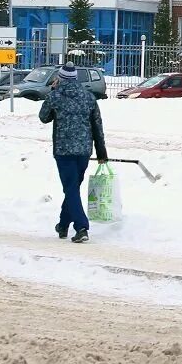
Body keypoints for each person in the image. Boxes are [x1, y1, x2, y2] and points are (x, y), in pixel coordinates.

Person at [38, 62, 108, 243]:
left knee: (70, 188)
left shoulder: (56, 96)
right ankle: (63, 225)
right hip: (84, 149)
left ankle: (81, 227)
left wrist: (52, 92)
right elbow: (97, 125)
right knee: (73, 188)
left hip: (63, 150)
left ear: (60, 79)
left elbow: (43, 117)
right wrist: (101, 152)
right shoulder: (89, 97)